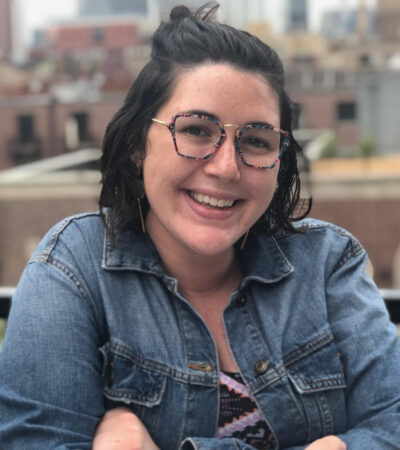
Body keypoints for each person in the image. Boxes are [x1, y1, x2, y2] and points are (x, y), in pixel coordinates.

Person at [0, 3, 399, 449]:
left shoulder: (326, 262)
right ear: (136, 145)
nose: (227, 167)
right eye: (195, 130)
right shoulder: (72, 270)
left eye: (255, 140)